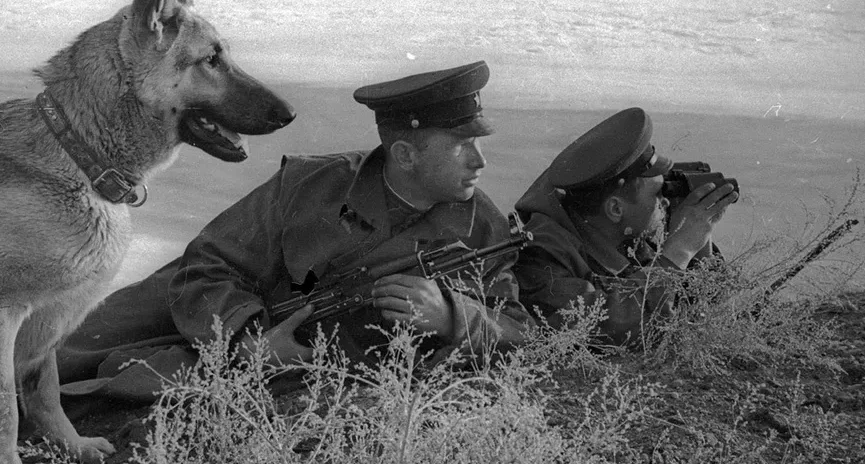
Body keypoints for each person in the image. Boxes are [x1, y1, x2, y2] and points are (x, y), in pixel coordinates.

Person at [58, 60, 533, 407]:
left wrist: (453, 316)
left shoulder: (483, 227)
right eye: (461, 146)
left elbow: (516, 327)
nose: (480, 162)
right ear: (405, 155)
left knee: (118, 388)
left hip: (300, 361)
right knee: (56, 351)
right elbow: (208, 262)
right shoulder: (310, 184)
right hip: (207, 305)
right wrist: (250, 342)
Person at [513, 107, 738, 345]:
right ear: (616, 209)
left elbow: (705, 312)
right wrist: (678, 251)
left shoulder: (628, 238)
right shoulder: (543, 258)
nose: (664, 202)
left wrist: (699, 233)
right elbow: (606, 329)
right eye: (656, 195)